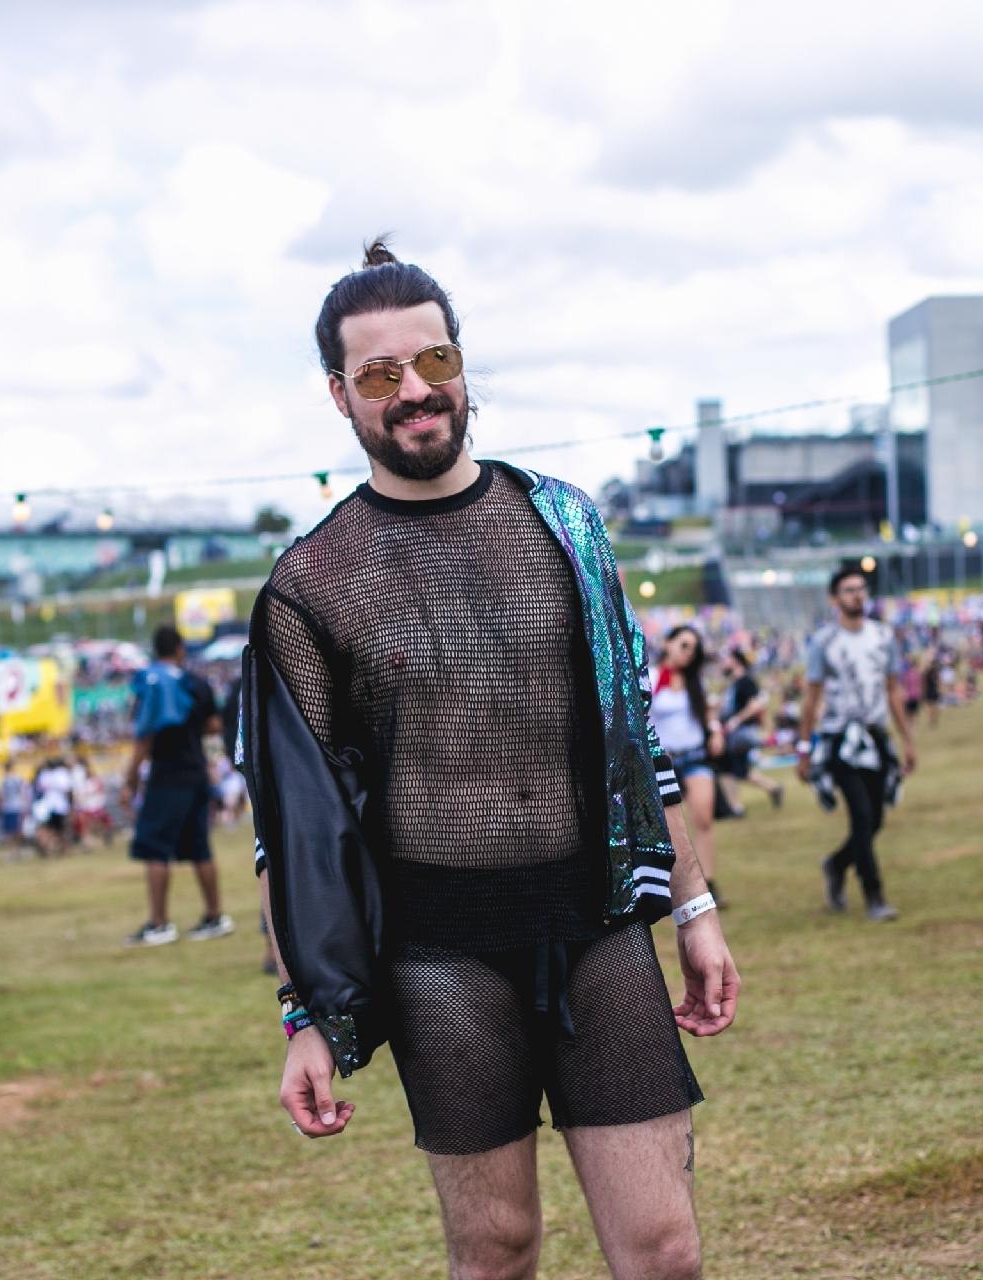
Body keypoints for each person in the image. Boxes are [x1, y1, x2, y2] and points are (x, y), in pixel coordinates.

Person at [242, 240, 737, 1280]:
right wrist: (304, 1016)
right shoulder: (310, 586)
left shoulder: (564, 524)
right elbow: (291, 832)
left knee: (665, 1249)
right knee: (497, 1250)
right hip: (438, 955)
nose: (416, 391)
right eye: (380, 375)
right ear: (340, 394)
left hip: (596, 926)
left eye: (435, 361)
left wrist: (694, 909)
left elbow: (634, 739)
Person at [797, 564, 917, 922]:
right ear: (835, 599)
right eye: (849, 590)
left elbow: (894, 690)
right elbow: (811, 698)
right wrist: (805, 749)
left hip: (876, 736)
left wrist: (907, 740)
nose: (858, 595)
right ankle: (875, 895)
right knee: (862, 815)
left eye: (861, 588)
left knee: (876, 818)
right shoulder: (824, 643)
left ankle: (836, 864)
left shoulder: (883, 637)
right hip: (840, 741)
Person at [124, 626, 231, 946]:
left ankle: (159, 924)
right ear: (181, 649)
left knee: (155, 847)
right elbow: (214, 723)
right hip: (196, 771)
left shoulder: (151, 682)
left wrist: (130, 777)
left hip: (166, 774)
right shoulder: (195, 683)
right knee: (199, 847)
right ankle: (214, 916)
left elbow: (145, 734)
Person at [650, 625, 726, 904]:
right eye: (683, 645)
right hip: (664, 760)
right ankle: (677, 886)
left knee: (703, 819)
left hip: (694, 756)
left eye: (693, 649)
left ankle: (709, 881)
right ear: (668, 644)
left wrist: (716, 731)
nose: (688, 653)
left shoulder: (695, 681)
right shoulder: (652, 677)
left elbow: (707, 713)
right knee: (669, 829)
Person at [715, 647, 783, 815]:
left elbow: (755, 705)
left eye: (727, 658)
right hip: (736, 732)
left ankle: (736, 806)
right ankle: (773, 788)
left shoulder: (745, 681)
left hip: (741, 733)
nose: (724, 662)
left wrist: (735, 721)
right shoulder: (736, 682)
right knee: (737, 770)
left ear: (736, 661)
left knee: (730, 769)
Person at [32, 754, 74, 858]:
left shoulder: (44, 775)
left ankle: (55, 848)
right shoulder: (61, 774)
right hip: (59, 806)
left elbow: (39, 789)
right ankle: (61, 848)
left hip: (49, 806)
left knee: (52, 829)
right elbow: (68, 790)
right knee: (60, 829)